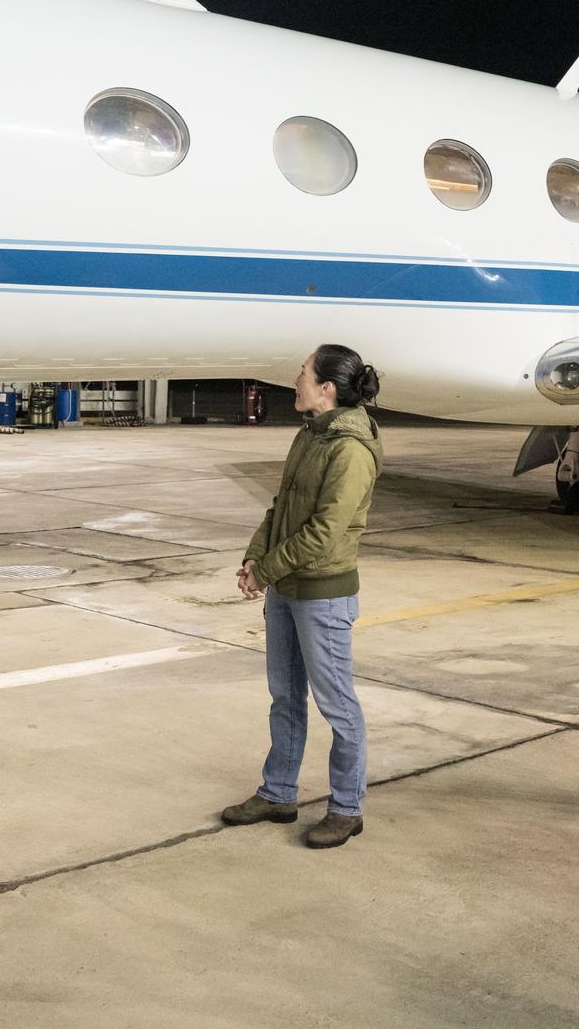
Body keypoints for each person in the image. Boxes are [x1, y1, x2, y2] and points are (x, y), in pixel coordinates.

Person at [222, 346, 384, 850]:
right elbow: (280, 505)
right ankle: (278, 793)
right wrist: (255, 557)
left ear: (327, 387)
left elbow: (325, 532)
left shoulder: (350, 449)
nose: (295, 379)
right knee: (285, 696)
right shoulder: (310, 435)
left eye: (303, 372)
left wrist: (266, 570)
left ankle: (346, 808)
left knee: (337, 705)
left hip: (322, 595)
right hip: (288, 588)